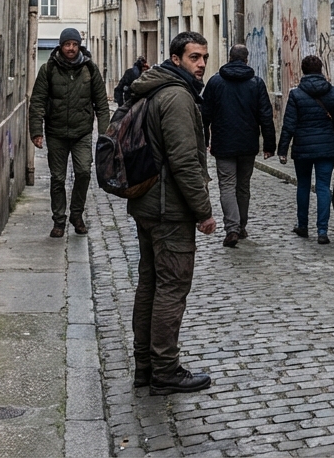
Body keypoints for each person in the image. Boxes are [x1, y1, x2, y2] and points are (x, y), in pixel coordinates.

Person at [127, 31, 216, 396]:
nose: (201, 65)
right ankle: (164, 369)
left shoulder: (154, 88)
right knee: (171, 289)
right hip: (168, 210)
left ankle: (144, 366)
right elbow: (183, 161)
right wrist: (204, 211)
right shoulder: (177, 97)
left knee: (150, 285)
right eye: (194, 58)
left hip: (149, 206)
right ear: (176, 59)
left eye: (204, 58)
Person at [29, 27, 111, 238]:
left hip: (82, 132)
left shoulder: (90, 69)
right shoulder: (48, 69)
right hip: (56, 132)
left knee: (84, 172)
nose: (71, 48)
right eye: (67, 45)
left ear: (79, 45)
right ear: (61, 45)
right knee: (57, 178)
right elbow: (37, 101)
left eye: (74, 44)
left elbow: (101, 104)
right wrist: (36, 131)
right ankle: (59, 221)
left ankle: (77, 214)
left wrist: (104, 135)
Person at [201, 45, 276, 248]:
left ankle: (232, 228)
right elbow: (266, 116)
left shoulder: (215, 82)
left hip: (223, 143)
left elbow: (204, 114)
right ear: (246, 60)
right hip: (247, 144)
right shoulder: (256, 83)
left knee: (227, 185)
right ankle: (241, 226)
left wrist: (205, 139)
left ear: (229, 58)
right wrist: (269, 145)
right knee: (243, 186)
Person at [277, 55, 334, 244]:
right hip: (327, 147)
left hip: (303, 148)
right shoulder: (332, 92)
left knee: (303, 185)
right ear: (321, 70)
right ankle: (322, 231)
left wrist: (282, 150)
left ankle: (302, 225)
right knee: (323, 187)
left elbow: (289, 125)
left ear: (303, 71)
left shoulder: (296, 94)